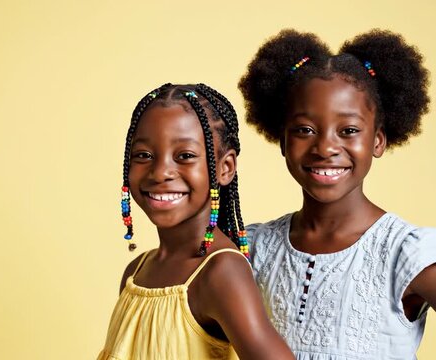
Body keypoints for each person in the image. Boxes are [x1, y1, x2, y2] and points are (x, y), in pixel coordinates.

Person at [237, 29, 436, 359]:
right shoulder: (254, 248)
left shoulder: (404, 253)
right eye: (305, 130)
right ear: (282, 141)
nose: (326, 147)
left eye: (349, 131)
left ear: (378, 140)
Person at [98, 83, 294, 359]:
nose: (161, 171)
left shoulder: (220, 272)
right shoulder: (136, 272)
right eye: (144, 155)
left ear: (225, 168)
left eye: (185, 156)